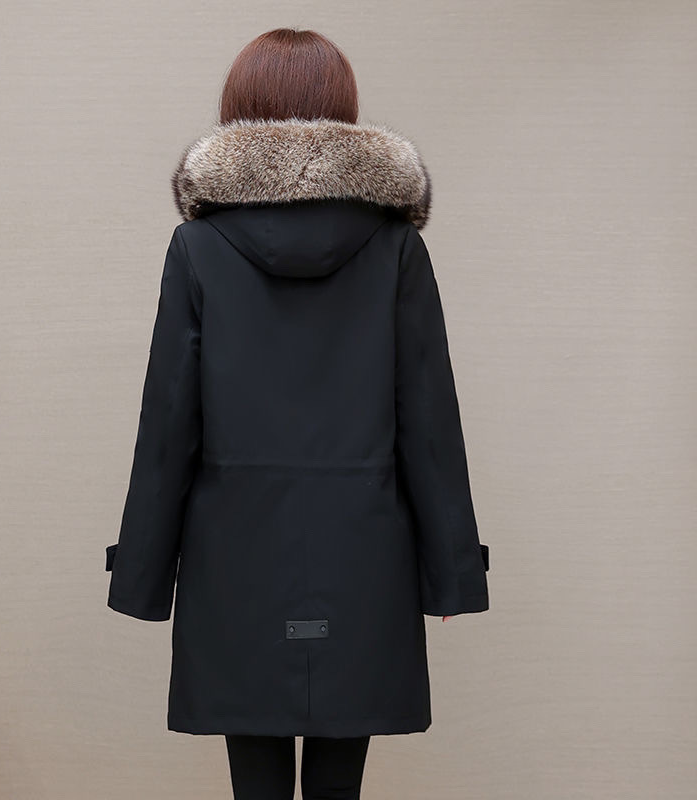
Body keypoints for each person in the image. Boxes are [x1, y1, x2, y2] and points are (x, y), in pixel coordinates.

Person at [104, 26, 490, 800]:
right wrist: (451, 572)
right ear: (342, 111)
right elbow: (429, 421)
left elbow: (168, 425)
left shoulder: (198, 248)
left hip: (235, 560)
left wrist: (143, 575)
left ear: (239, 111)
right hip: (364, 556)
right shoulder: (395, 249)